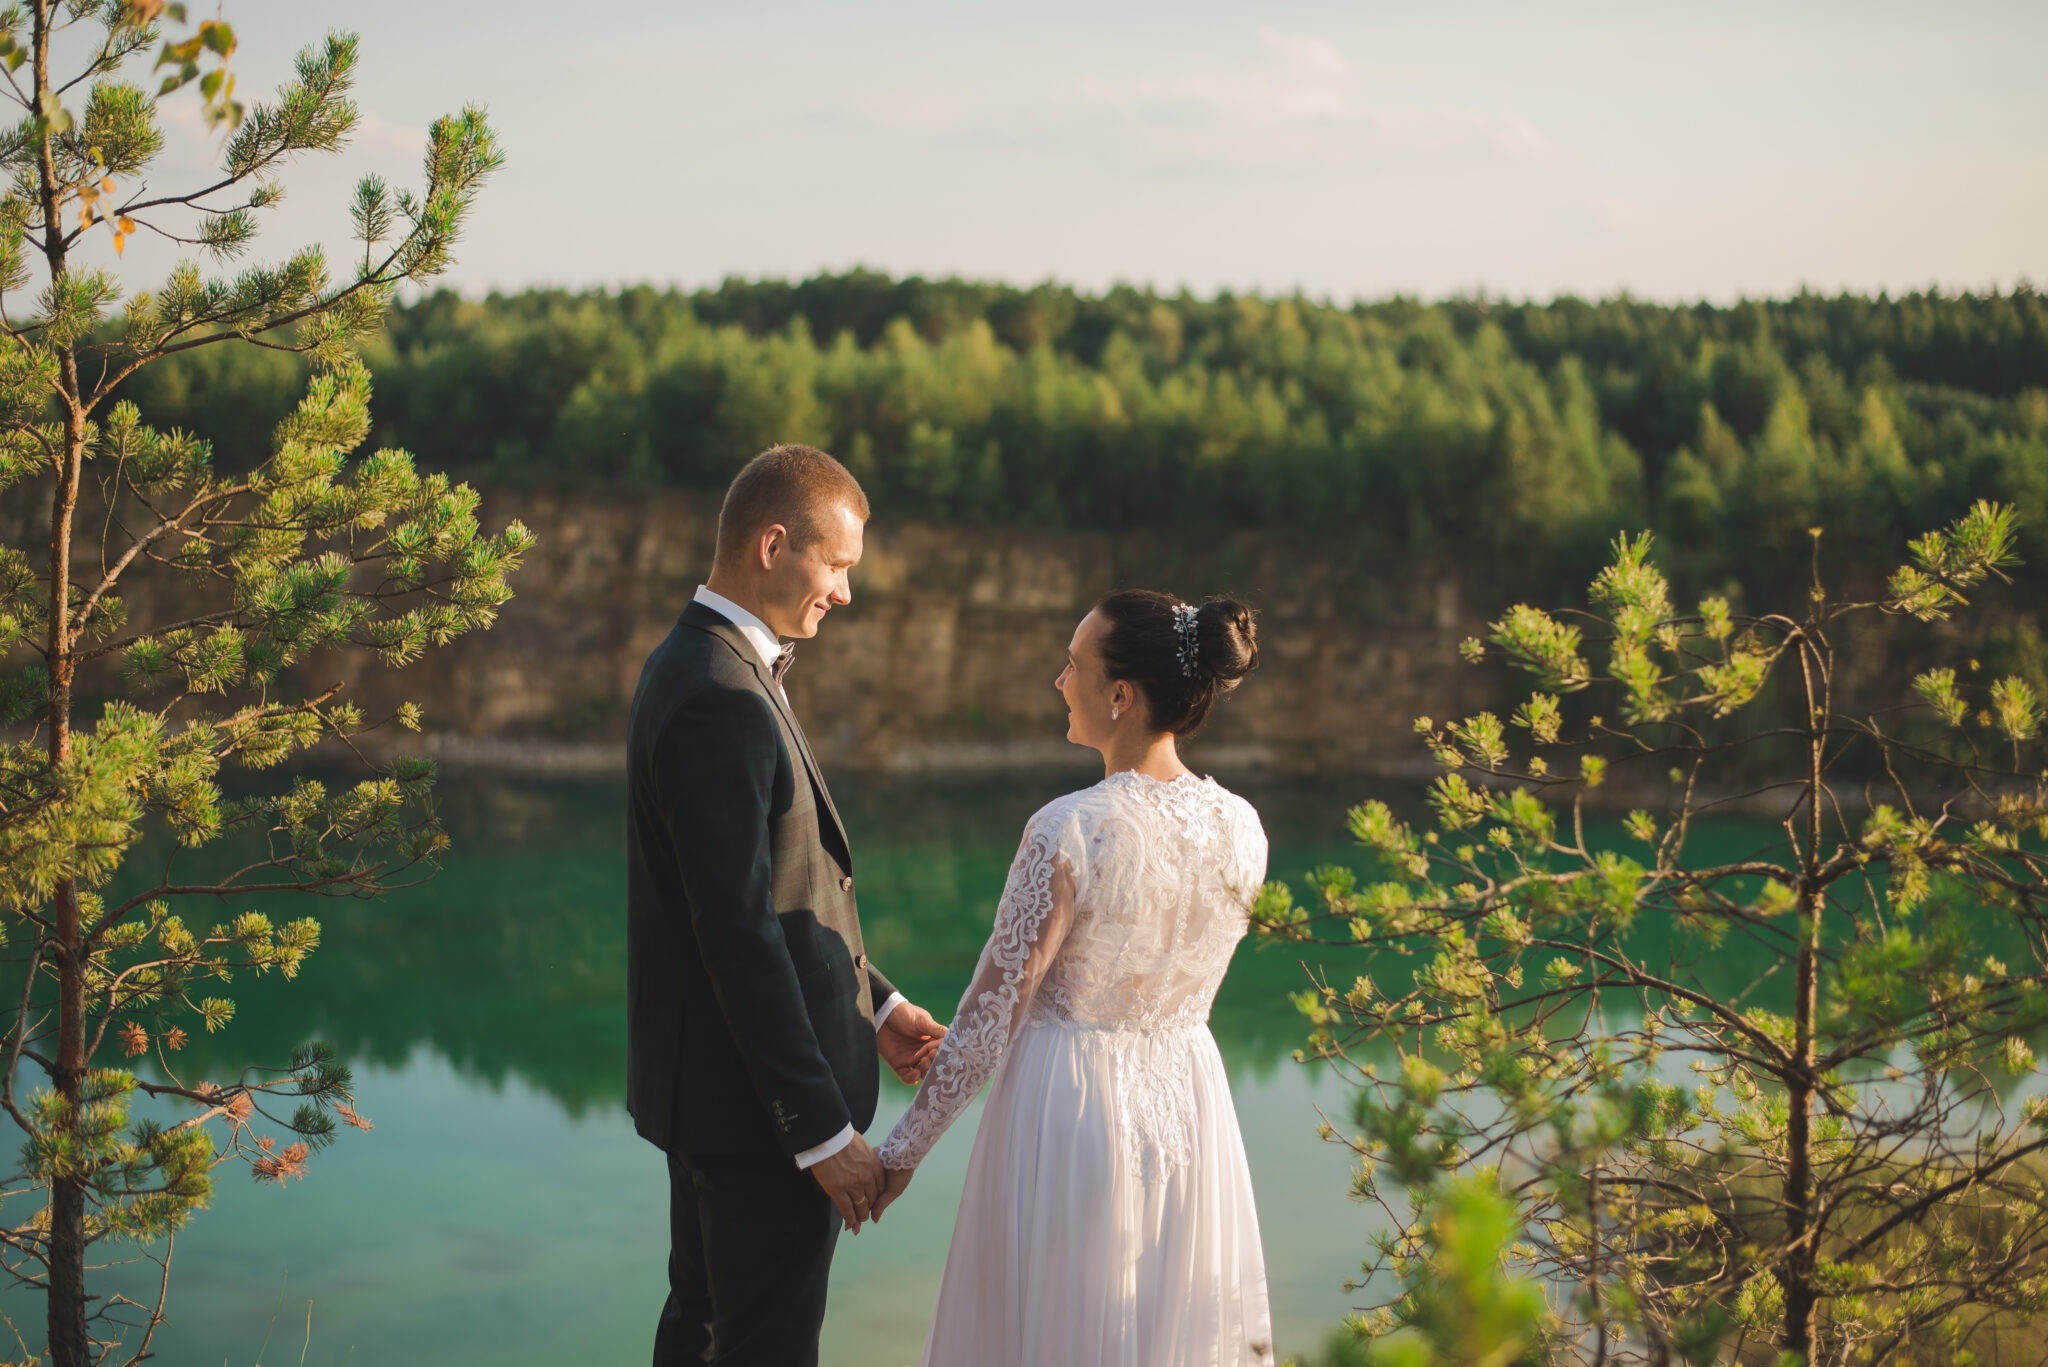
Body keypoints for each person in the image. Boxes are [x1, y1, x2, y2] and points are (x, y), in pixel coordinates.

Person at [871, 590, 1276, 1366]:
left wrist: (899, 1153)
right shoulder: (1244, 827)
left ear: (1120, 696)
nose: (1060, 681)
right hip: (1192, 1107)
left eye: (1073, 665)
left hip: (1072, 1116)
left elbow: (993, 1020)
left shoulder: (1071, 826)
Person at [625, 443, 947, 1366]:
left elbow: (782, 886)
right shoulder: (719, 692)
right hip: (756, 1117)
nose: (844, 592)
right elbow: (734, 930)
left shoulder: (711, 661)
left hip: (722, 1100)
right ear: (774, 544)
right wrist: (818, 1132)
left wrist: (873, 1002)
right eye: (836, 565)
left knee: (702, 1333)